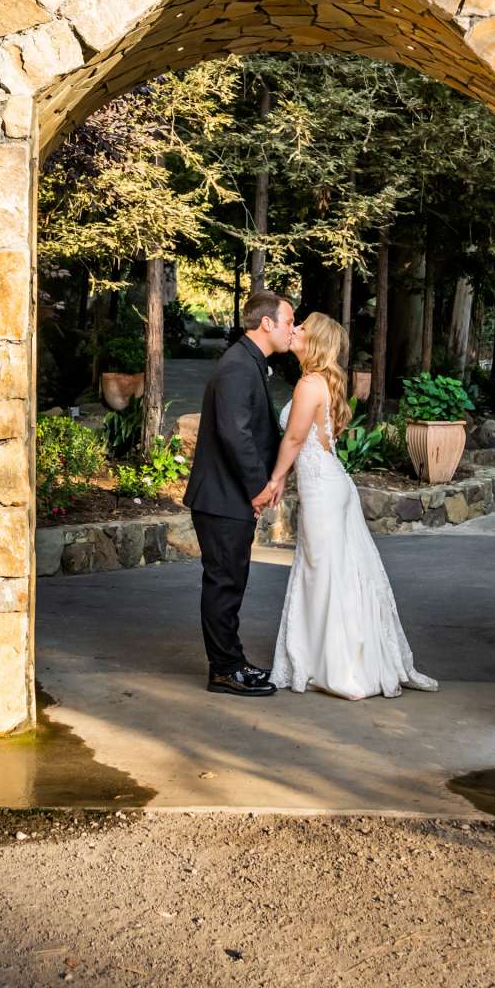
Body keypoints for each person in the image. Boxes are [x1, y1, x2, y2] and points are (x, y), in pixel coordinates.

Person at [263, 312, 439, 699]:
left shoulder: (310, 383)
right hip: (329, 482)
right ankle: (333, 659)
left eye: (302, 328)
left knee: (322, 573)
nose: (294, 330)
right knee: (333, 571)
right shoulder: (320, 381)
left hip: (323, 489)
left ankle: (339, 668)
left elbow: (294, 441)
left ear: (315, 342)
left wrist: (275, 480)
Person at [182, 289, 295, 697]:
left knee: (231, 582)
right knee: (224, 583)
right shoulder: (237, 366)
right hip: (223, 497)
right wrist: (259, 488)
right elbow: (236, 435)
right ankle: (224, 670)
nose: (292, 331)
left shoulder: (248, 362)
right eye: (288, 322)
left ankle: (233, 662)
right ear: (267, 323)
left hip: (227, 497)